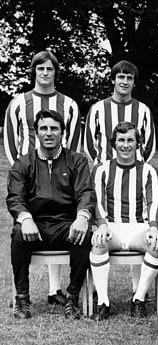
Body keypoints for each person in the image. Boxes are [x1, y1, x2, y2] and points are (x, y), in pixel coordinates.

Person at [4, 50, 82, 306]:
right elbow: (11, 142)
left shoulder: (69, 104)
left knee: (61, 217)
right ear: (34, 71)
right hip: (30, 172)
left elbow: (71, 144)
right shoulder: (18, 102)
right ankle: (23, 297)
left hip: (59, 171)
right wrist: (25, 168)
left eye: (49, 69)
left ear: (55, 73)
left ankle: (55, 290)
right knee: (27, 225)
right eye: (40, 69)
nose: (45, 73)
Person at [7, 109, 94, 320]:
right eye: (43, 128)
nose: (49, 133)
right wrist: (25, 218)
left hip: (66, 225)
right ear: (36, 132)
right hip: (36, 226)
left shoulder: (77, 160)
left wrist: (82, 217)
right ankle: (22, 298)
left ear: (62, 132)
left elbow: (85, 192)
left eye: (54, 128)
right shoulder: (23, 163)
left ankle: (72, 298)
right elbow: (14, 197)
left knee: (85, 235)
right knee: (18, 234)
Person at [90, 122, 158, 320]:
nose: (125, 145)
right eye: (121, 140)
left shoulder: (148, 171)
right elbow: (96, 201)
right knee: (98, 241)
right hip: (111, 227)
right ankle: (103, 302)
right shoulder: (101, 169)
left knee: (156, 245)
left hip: (138, 228)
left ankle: (138, 299)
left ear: (138, 143)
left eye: (130, 140)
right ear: (114, 144)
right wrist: (102, 225)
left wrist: (154, 228)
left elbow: (154, 202)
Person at [85, 60, 156, 165]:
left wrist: (137, 163)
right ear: (113, 80)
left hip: (135, 172)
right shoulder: (98, 108)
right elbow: (89, 143)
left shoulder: (143, 110)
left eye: (130, 78)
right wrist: (101, 164)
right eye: (121, 77)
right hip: (105, 171)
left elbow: (150, 145)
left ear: (134, 83)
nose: (125, 82)